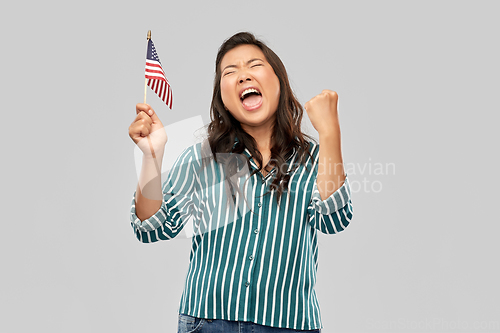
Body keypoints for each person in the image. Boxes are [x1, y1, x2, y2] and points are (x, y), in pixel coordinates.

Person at [128, 32, 353, 333]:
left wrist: (330, 134)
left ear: (278, 81)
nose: (243, 76)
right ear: (222, 97)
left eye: (254, 65)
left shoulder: (312, 159)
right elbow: (152, 227)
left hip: (288, 325)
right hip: (207, 323)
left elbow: (334, 219)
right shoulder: (203, 157)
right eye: (230, 73)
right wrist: (152, 159)